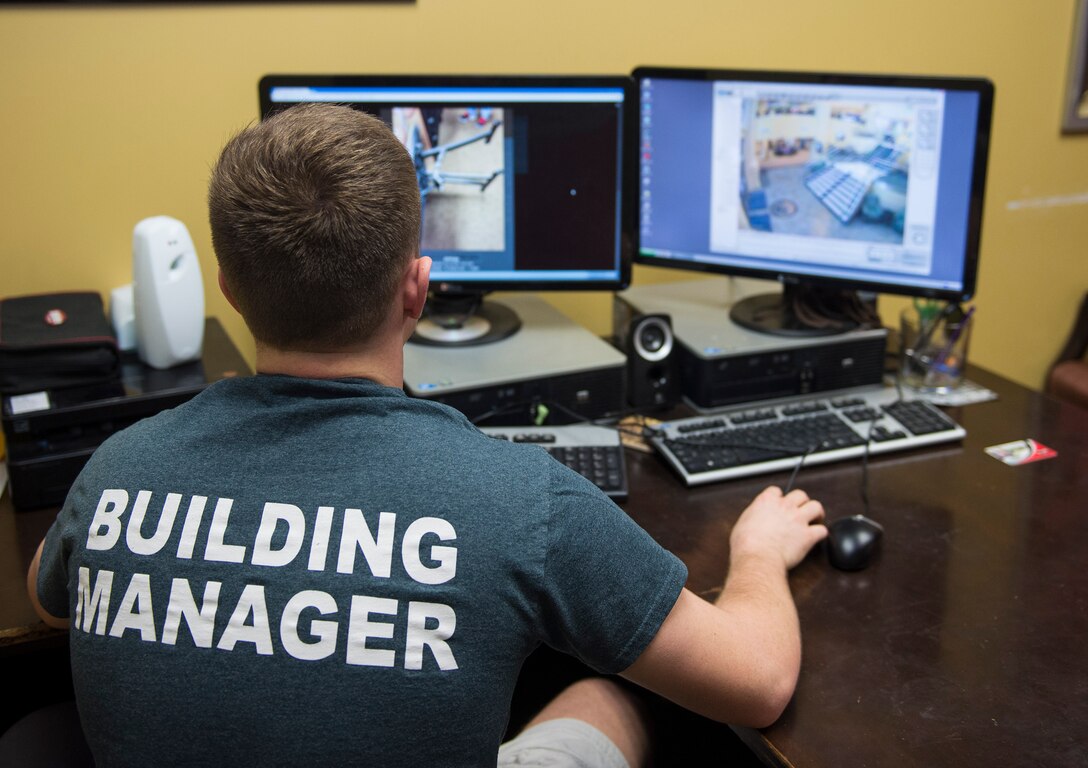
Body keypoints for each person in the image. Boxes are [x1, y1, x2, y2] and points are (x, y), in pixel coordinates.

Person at [26, 103, 827, 768]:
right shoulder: (521, 501)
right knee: (617, 692)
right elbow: (757, 683)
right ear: (416, 289)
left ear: (231, 291)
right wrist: (757, 552)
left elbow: (45, 595)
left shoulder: (117, 471)